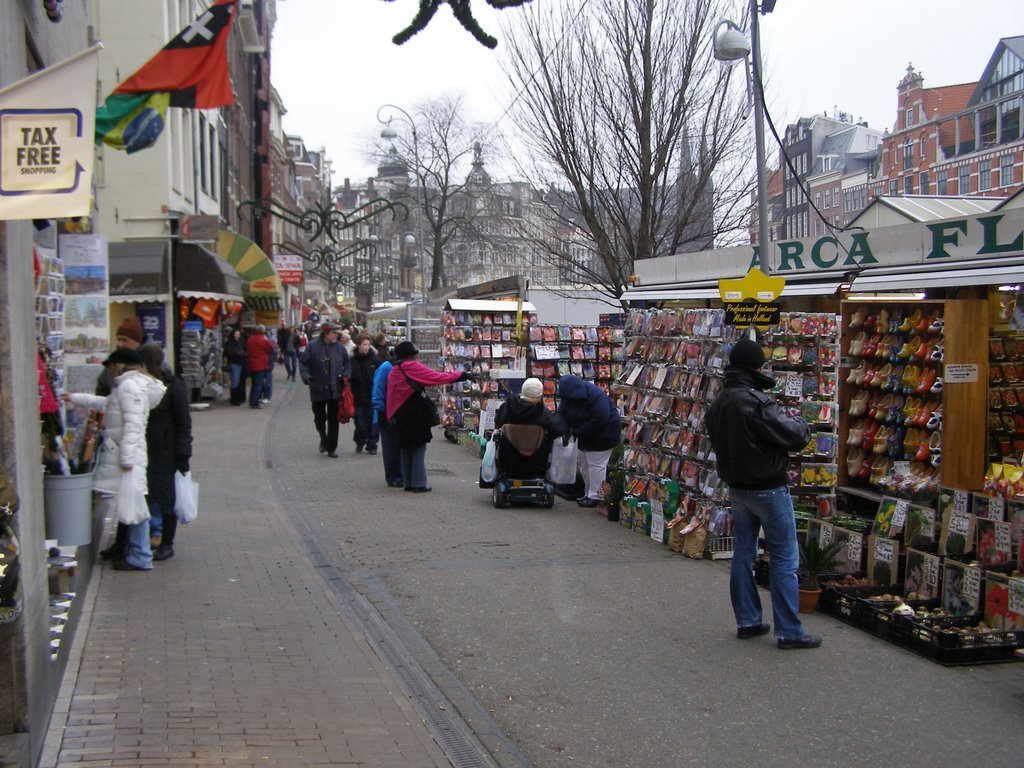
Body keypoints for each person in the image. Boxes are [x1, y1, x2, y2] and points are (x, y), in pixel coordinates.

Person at [705, 336, 821, 650]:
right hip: (767, 486)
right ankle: (789, 631)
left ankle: (748, 620)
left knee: (743, 551)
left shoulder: (720, 401)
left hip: (737, 487)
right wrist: (801, 424)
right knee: (785, 557)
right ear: (757, 365)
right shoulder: (757, 401)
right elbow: (793, 436)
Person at [64, 348, 166, 571]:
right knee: (134, 504)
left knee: (136, 506)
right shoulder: (128, 386)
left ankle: (140, 555)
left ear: (118, 365)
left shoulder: (129, 387)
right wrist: (75, 398)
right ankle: (138, 552)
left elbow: (133, 424)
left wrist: (128, 459)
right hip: (128, 455)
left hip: (128, 458)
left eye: (110, 365)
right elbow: (109, 405)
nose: (108, 370)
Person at [386, 341, 473, 492]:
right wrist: (461, 375)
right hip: (415, 411)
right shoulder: (412, 366)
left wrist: (389, 416)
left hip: (399, 412)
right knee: (419, 446)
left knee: (406, 447)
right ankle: (419, 483)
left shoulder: (394, 370)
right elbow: (437, 377)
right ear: (411, 354)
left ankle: (408, 482)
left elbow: (391, 395)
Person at [139, 345, 193, 562]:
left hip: (167, 452)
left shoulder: (173, 387)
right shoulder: (143, 387)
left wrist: (183, 454)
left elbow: (183, 423)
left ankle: (166, 542)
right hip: (147, 450)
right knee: (149, 496)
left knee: (167, 499)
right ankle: (153, 536)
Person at [556, 374, 621, 507]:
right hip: (584, 434)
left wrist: (578, 431)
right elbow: (561, 415)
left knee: (596, 465)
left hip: (604, 434)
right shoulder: (568, 397)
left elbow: (601, 418)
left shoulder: (595, 395)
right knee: (583, 462)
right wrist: (564, 431)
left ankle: (596, 496)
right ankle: (588, 493)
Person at [494, 377, 567, 476]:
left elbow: (498, 422)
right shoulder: (543, 413)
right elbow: (556, 431)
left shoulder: (507, 408)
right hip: (537, 463)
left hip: (508, 461)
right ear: (540, 395)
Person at [298, 322, 351, 458]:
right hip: (317, 387)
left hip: (335, 388)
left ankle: (331, 447)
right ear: (327, 333)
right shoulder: (312, 346)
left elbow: (347, 363)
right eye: (334, 333)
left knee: (334, 419)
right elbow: (303, 364)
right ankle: (323, 436)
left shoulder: (339, 347)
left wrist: (346, 375)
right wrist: (306, 376)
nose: (337, 336)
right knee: (319, 418)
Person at [371, 348, 403, 487]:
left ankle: (398, 474)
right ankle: (392, 476)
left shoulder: (394, 367)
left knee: (397, 447)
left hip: (396, 414)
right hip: (386, 414)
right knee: (390, 447)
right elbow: (378, 391)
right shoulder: (386, 368)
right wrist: (382, 412)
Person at [96, 316, 145, 395]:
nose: (120, 344)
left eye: (124, 340)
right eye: (118, 339)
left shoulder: (151, 361)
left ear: (137, 342)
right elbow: (102, 390)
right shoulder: (112, 363)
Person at [349, 334, 379, 454]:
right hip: (357, 398)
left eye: (368, 345)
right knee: (360, 424)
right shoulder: (352, 360)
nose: (366, 347)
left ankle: (372, 445)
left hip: (372, 397)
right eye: (364, 345)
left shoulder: (374, 360)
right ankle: (359, 441)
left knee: (372, 423)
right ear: (358, 345)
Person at [245, 325, 274, 409]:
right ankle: (255, 402)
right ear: (263, 331)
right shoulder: (263, 340)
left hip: (251, 364)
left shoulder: (250, 339)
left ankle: (251, 400)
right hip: (260, 364)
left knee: (253, 383)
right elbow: (270, 349)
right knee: (258, 384)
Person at [224, 328, 247, 406]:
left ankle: (236, 398)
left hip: (239, 363)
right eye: (236, 334)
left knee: (237, 380)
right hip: (233, 362)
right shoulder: (230, 342)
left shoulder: (240, 342)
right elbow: (228, 352)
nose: (238, 336)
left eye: (239, 334)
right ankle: (234, 399)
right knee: (235, 380)